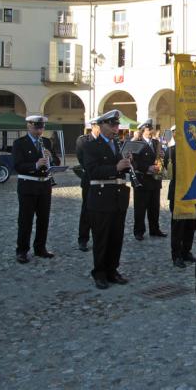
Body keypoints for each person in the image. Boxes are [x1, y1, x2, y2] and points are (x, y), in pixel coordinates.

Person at [83, 110, 132, 289]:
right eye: (112, 125)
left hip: (118, 198)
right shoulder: (90, 146)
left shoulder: (117, 145)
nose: (115, 129)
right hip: (101, 198)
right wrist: (115, 167)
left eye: (117, 125)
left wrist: (127, 165)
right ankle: (100, 273)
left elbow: (121, 170)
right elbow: (92, 171)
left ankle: (113, 270)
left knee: (116, 238)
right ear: (101, 126)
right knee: (102, 238)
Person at [13, 115, 61, 263]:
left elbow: (57, 161)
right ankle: (22, 250)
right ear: (28, 126)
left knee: (44, 219)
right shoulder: (19, 143)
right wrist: (35, 164)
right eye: (36, 127)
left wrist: (51, 158)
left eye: (41, 128)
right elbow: (18, 165)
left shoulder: (46, 142)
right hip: (28, 185)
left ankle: (40, 248)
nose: (39, 130)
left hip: (44, 185)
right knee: (25, 220)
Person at [165, 125, 196, 268]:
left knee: (190, 224)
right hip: (177, 191)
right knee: (178, 225)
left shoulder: (192, 148)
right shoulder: (171, 151)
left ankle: (186, 251)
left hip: (191, 191)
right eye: (175, 133)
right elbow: (169, 170)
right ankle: (176, 255)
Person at [132, 119, 166, 240]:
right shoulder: (138, 143)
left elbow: (162, 157)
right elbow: (134, 162)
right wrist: (147, 168)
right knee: (140, 208)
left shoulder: (156, 143)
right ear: (142, 131)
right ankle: (139, 231)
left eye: (151, 129)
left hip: (155, 180)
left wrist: (162, 156)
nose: (150, 131)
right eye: (147, 129)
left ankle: (154, 229)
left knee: (154, 208)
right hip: (142, 180)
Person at [75, 117, 100, 252]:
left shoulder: (108, 141)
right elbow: (81, 159)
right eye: (100, 125)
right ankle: (83, 239)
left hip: (102, 182)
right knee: (87, 211)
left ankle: (99, 238)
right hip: (89, 180)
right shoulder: (83, 140)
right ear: (94, 126)